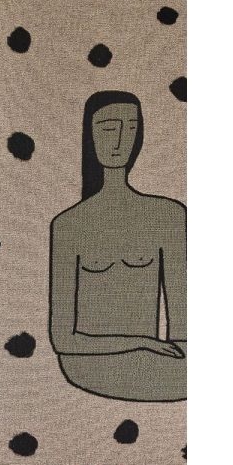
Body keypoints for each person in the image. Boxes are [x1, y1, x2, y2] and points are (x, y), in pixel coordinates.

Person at [49, 90, 186, 401]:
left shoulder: (168, 215)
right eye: (108, 128)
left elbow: (183, 320)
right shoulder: (69, 225)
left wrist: (168, 350)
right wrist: (141, 341)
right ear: (90, 135)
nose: (120, 140)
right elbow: (63, 340)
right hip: (87, 363)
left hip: (160, 360)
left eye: (131, 128)